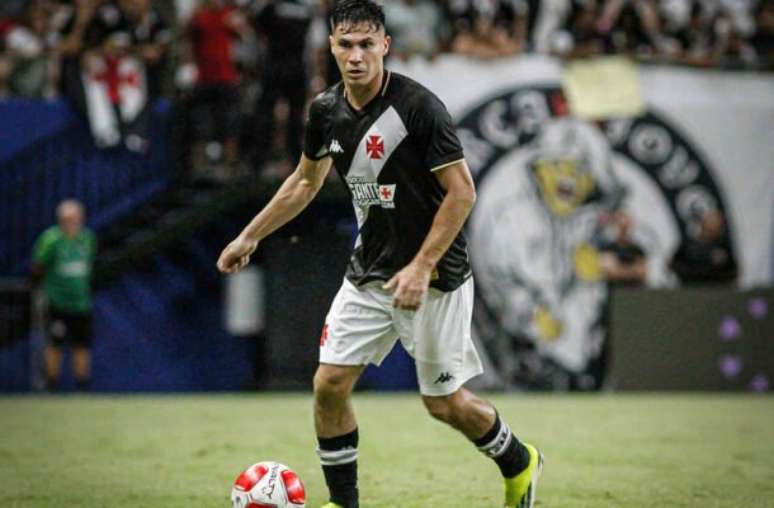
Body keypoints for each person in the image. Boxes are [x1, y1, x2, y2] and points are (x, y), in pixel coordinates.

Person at [216, 2, 543, 507]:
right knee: (328, 385)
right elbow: (305, 182)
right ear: (331, 47)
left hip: (436, 279)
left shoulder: (419, 108)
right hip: (369, 271)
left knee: (444, 404)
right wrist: (250, 236)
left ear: (385, 46)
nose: (356, 56)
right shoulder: (325, 111)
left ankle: (519, 462)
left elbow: (462, 193)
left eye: (366, 44)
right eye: (346, 45)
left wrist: (422, 266)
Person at [31, 200, 97, 391]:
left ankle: (82, 387)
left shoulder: (87, 238)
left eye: (75, 218)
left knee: (82, 346)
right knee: (54, 344)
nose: (72, 222)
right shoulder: (51, 239)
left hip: (81, 304)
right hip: (57, 303)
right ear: (60, 220)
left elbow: (89, 264)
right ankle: (51, 385)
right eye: (67, 219)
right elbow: (38, 265)